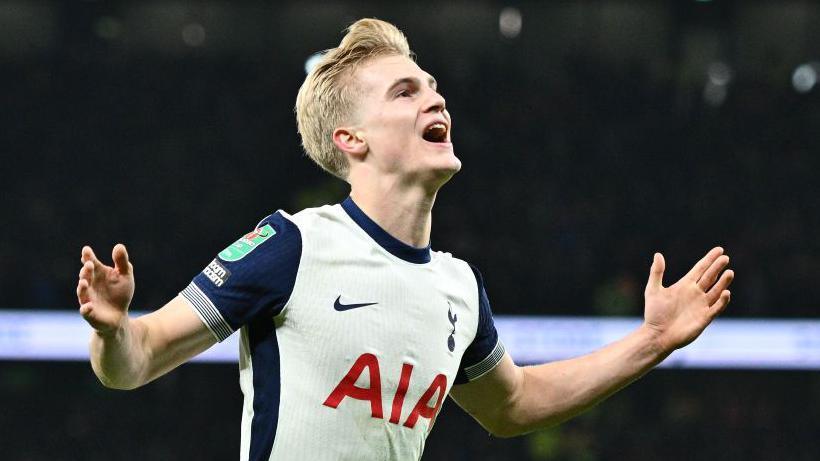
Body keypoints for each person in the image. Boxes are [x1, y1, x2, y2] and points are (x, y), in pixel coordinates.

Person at [76, 18, 734, 461]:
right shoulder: (291, 245)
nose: (435, 101)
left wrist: (653, 341)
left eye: (434, 88)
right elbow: (137, 359)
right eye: (405, 91)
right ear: (351, 140)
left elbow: (514, 404)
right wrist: (111, 329)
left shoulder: (458, 287)